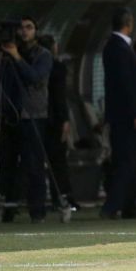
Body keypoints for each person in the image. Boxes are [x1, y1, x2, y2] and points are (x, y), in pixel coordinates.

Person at [0, 16, 53, 223]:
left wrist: (17, 57)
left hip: (32, 115)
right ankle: (8, 208)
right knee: (7, 163)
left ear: (36, 31)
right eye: (21, 28)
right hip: (10, 115)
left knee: (33, 164)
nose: (24, 31)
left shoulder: (43, 55)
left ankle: (37, 211)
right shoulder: (7, 55)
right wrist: (1, 60)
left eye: (29, 27)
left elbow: (34, 77)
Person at [100, 7, 136, 219]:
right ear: (129, 23)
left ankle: (129, 206)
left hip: (118, 115)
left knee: (129, 160)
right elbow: (126, 84)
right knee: (126, 161)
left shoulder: (111, 46)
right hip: (125, 116)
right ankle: (112, 206)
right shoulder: (120, 48)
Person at [37, 34, 80, 211]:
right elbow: (59, 96)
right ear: (54, 47)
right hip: (54, 119)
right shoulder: (57, 67)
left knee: (38, 160)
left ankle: (39, 199)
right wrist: (65, 120)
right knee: (58, 161)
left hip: (37, 117)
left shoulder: (35, 66)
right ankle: (63, 197)